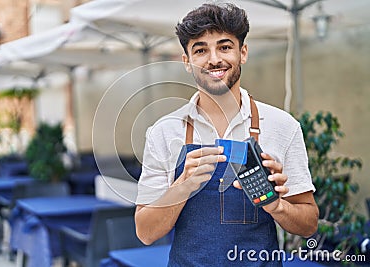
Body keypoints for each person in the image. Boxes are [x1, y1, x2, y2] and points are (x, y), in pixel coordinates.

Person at [134, 3, 319, 266]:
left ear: (242, 52)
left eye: (224, 47)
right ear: (187, 62)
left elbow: (309, 224)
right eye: (200, 50)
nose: (213, 59)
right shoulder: (163, 132)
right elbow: (145, 232)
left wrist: (277, 205)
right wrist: (182, 186)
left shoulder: (283, 126)